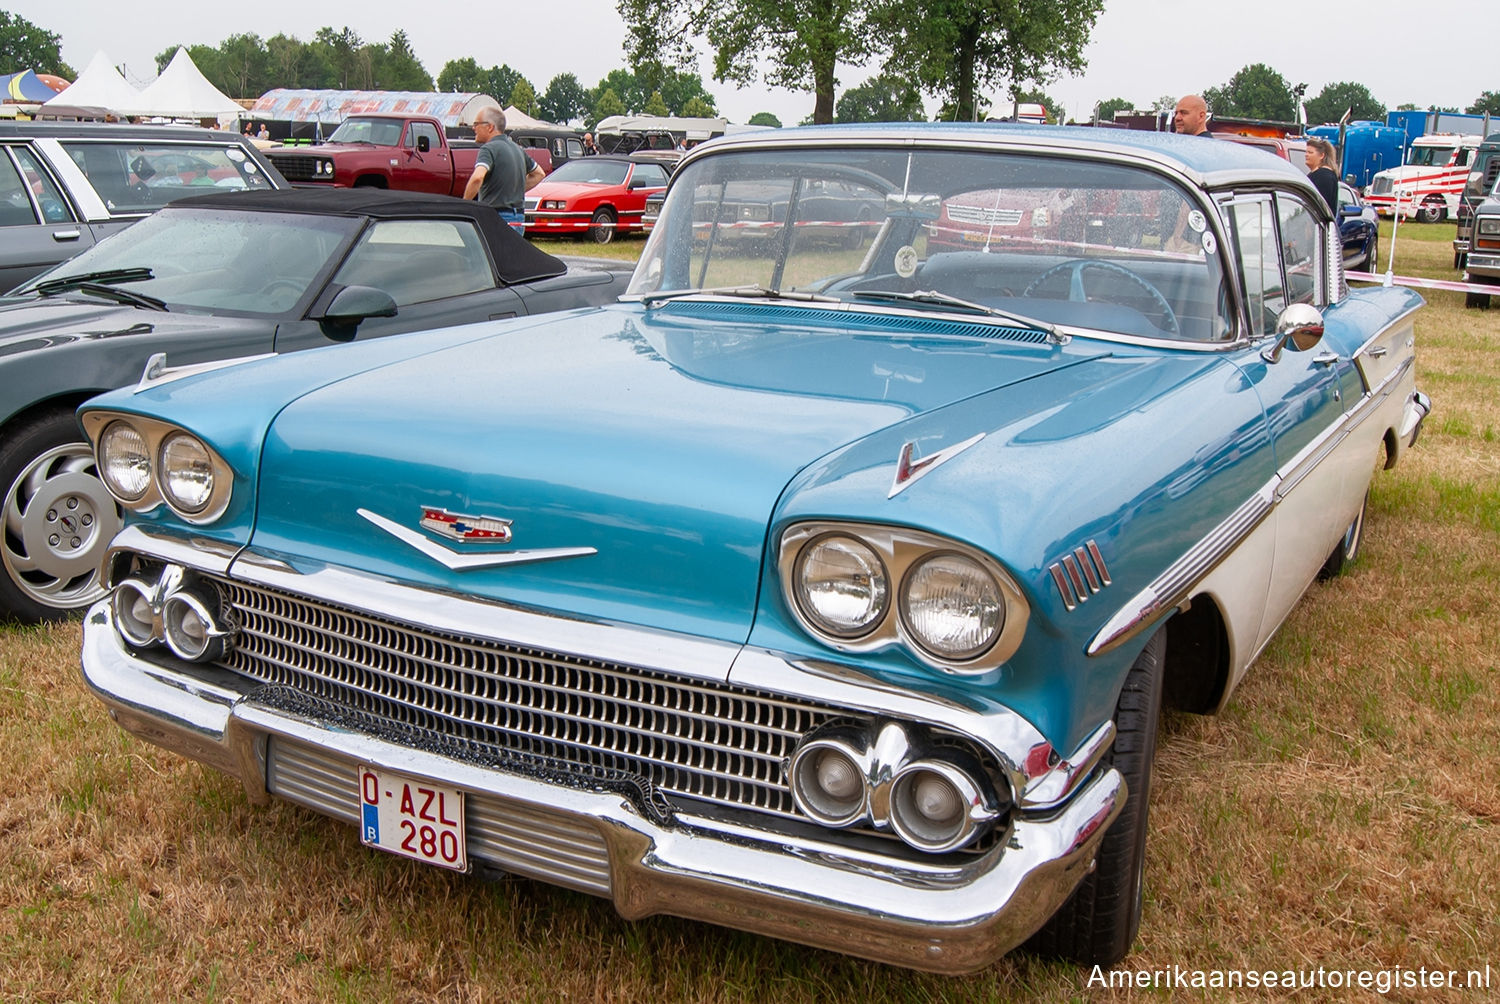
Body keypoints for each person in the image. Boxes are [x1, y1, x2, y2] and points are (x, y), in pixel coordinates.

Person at [463, 107, 546, 234]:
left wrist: (464, 204)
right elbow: (539, 174)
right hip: (518, 218)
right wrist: (512, 191)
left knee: (490, 253)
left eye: (476, 124)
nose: (473, 128)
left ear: (490, 127)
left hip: (496, 217)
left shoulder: (488, 149)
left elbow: (477, 178)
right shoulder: (518, 149)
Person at [1305, 137, 1340, 216]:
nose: (1306, 155)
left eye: (1310, 152)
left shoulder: (1323, 176)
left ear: (1321, 155)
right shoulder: (1318, 174)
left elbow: (1320, 206)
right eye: (1306, 152)